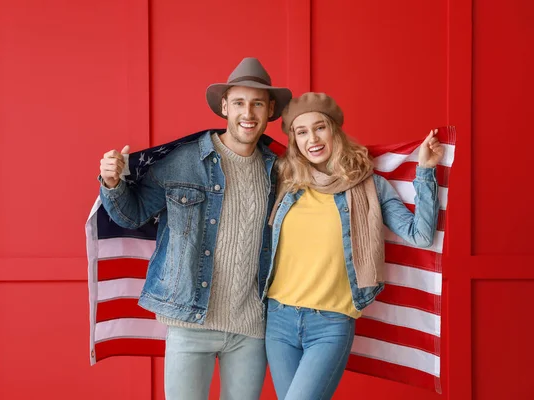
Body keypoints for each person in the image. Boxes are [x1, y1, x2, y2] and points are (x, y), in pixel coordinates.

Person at [98, 57, 292, 400]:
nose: (248, 113)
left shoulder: (280, 170)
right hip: (191, 323)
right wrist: (112, 181)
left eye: (257, 104)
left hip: (251, 329)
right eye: (239, 104)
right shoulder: (185, 160)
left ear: (270, 110)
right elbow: (133, 214)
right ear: (224, 107)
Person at [262, 92, 444, 399]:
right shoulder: (286, 182)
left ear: (334, 130)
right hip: (278, 319)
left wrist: (425, 171)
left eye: (319, 127)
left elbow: (420, 235)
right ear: (294, 140)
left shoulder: (368, 185)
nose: (312, 139)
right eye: (301, 132)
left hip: (330, 324)